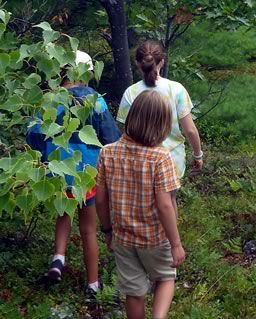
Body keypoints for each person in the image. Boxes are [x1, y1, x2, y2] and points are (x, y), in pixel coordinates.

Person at [27, 50, 121, 296]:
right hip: (87, 174)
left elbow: (35, 133)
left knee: (63, 213)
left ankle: (58, 258)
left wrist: (43, 156)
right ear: (87, 73)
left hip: (58, 170)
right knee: (88, 229)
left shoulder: (52, 99)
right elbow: (111, 138)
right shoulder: (97, 101)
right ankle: (92, 284)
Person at [96, 90, 185, 319]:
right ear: (162, 126)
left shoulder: (107, 153)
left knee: (133, 292)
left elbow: (101, 198)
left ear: (132, 117)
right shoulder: (160, 157)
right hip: (155, 237)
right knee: (165, 277)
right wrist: (175, 243)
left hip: (123, 237)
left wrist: (107, 231)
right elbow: (165, 205)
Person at [117, 40, 203, 185]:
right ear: (162, 62)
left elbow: (124, 131)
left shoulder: (130, 93)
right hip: (172, 160)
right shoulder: (177, 89)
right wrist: (197, 155)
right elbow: (190, 130)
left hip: (140, 162)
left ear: (138, 63)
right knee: (169, 204)